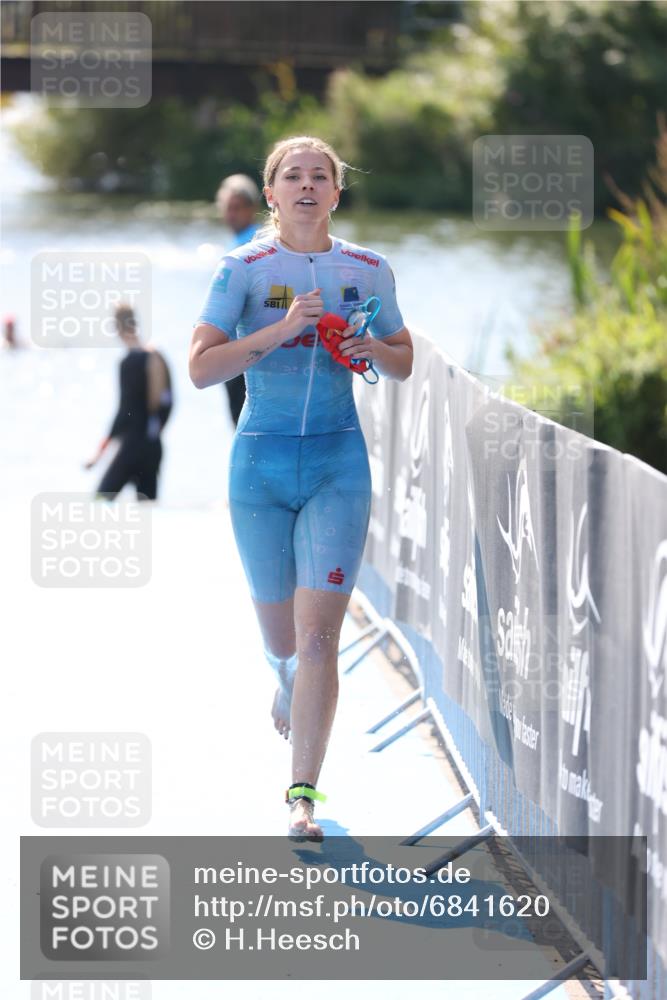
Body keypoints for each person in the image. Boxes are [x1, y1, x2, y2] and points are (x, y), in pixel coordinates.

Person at [189, 136, 413, 840]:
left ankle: (301, 795)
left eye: (321, 176)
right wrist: (284, 329)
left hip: (337, 465)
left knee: (321, 639)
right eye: (294, 176)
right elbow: (200, 368)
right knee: (285, 640)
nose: (308, 185)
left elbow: (403, 360)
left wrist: (368, 350)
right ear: (273, 193)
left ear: (336, 194)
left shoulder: (368, 269)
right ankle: (282, 677)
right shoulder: (243, 269)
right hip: (258, 465)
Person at [85, 304, 173, 501]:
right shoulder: (157, 355)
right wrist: (154, 432)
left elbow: (125, 413)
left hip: (132, 447)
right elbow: (167, 403)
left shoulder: (129, 362)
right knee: (148, 512)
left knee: (99, 501)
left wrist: (98, 454)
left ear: (117, 327)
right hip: (153, 447)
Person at [215, 174, 261, 426]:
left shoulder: (256, 242)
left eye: (236, 208)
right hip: (234, 350)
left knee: (244, 427)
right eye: (227, 208)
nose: (230, 214)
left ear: (252, 208)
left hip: (245, 352)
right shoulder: (236, 242)